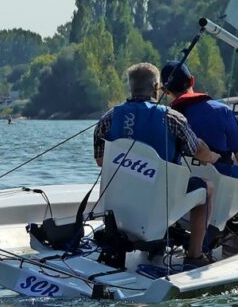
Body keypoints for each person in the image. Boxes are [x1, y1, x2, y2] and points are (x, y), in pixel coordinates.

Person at [93, 62, 220, 267]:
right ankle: (195, 255)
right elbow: (199, 152)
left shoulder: (108, 118)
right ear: (157, 88)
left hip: (120, 200)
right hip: (160, 200)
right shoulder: (172, 118)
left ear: (130, 87)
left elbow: (101, 161)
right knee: (208, 188)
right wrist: (212, 156)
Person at [161, 61, 238, 225]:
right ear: (192, 81)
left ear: (166, 91)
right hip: (225, 187)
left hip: (184, 188)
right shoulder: (220, 111)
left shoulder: (166, 117)